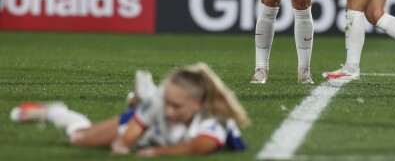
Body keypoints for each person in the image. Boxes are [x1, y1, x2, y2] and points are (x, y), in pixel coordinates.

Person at [10, 63, 250, 155]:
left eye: (176, 106)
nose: (169, 110)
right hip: (153, 128)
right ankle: (55, 112)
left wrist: (156, 153)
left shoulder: (215, 117)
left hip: (163, 137)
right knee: (77, 138)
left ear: (197, 104)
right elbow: (131, 135)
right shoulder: (161, 105)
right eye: (167, 103)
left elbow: (198, 146)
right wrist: (123, 144)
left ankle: (139, 96)